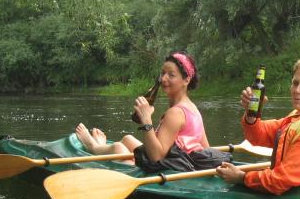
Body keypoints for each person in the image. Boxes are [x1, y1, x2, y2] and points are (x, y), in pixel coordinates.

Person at [75, 51, 230, 173]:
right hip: (180, 161)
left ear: (186, 80)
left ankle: (93, 147)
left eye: (171, 74)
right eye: (162, 73)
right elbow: (205, 149)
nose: (163, 79)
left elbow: (156, 157)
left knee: (118, 148)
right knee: (128, 139)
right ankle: (101, 147)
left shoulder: (175, 113)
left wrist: (146, 120)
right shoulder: (193, 109)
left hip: (172, 167)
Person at [216, 54, 300, 194]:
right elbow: (259, 136)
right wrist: (252, 113)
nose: (297, 90)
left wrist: (242, 178)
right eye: (295, 83)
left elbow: (279, 181)